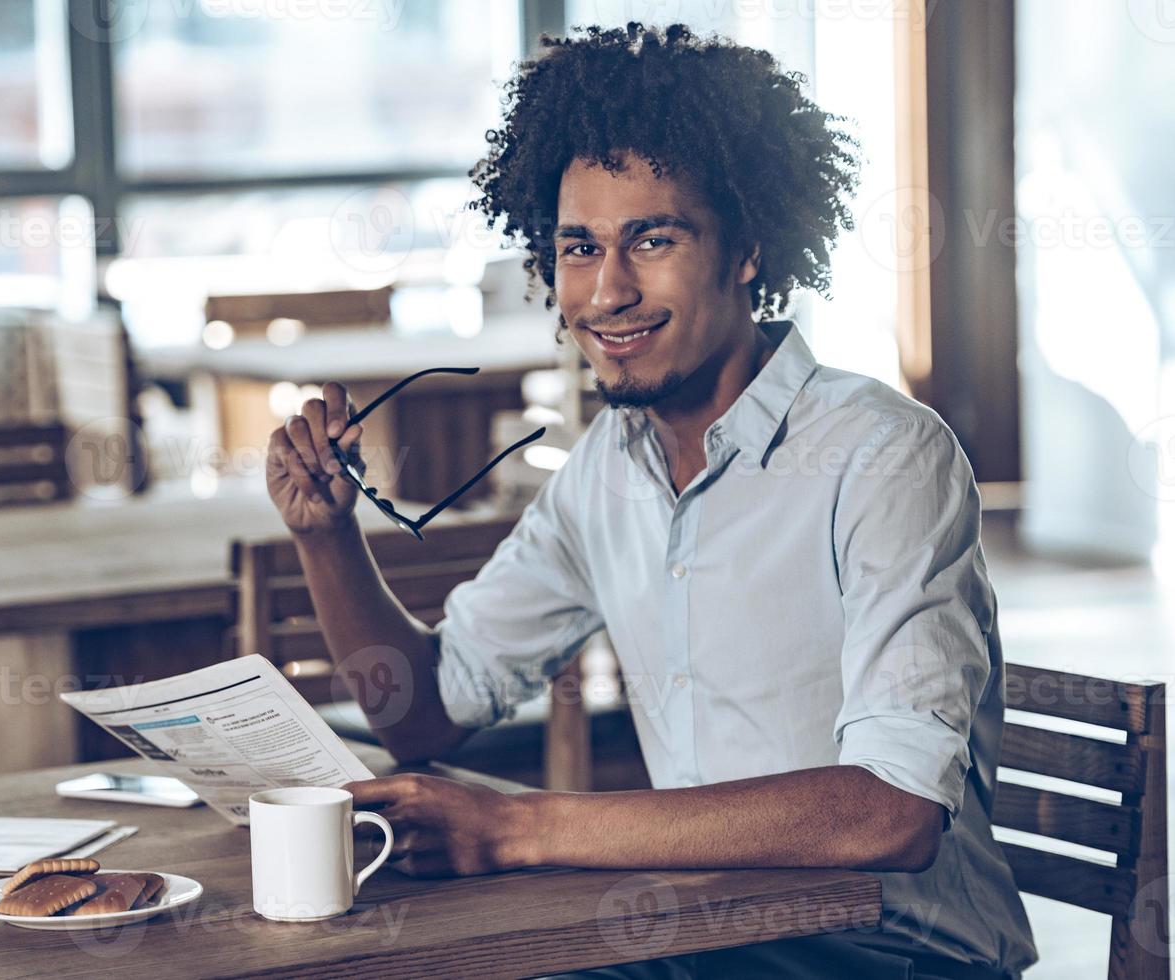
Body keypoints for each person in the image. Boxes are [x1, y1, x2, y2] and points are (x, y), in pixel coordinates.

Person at [263, 23, 1037, 979]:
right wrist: (328, 538)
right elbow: (423, 712)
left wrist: (518, 829)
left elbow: (892, 810)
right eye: (578, 248)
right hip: (708, 935)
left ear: (748, 247)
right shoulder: (604, 471)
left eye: (652, 240)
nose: (607, 291)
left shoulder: (882, 456)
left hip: (892, 950)